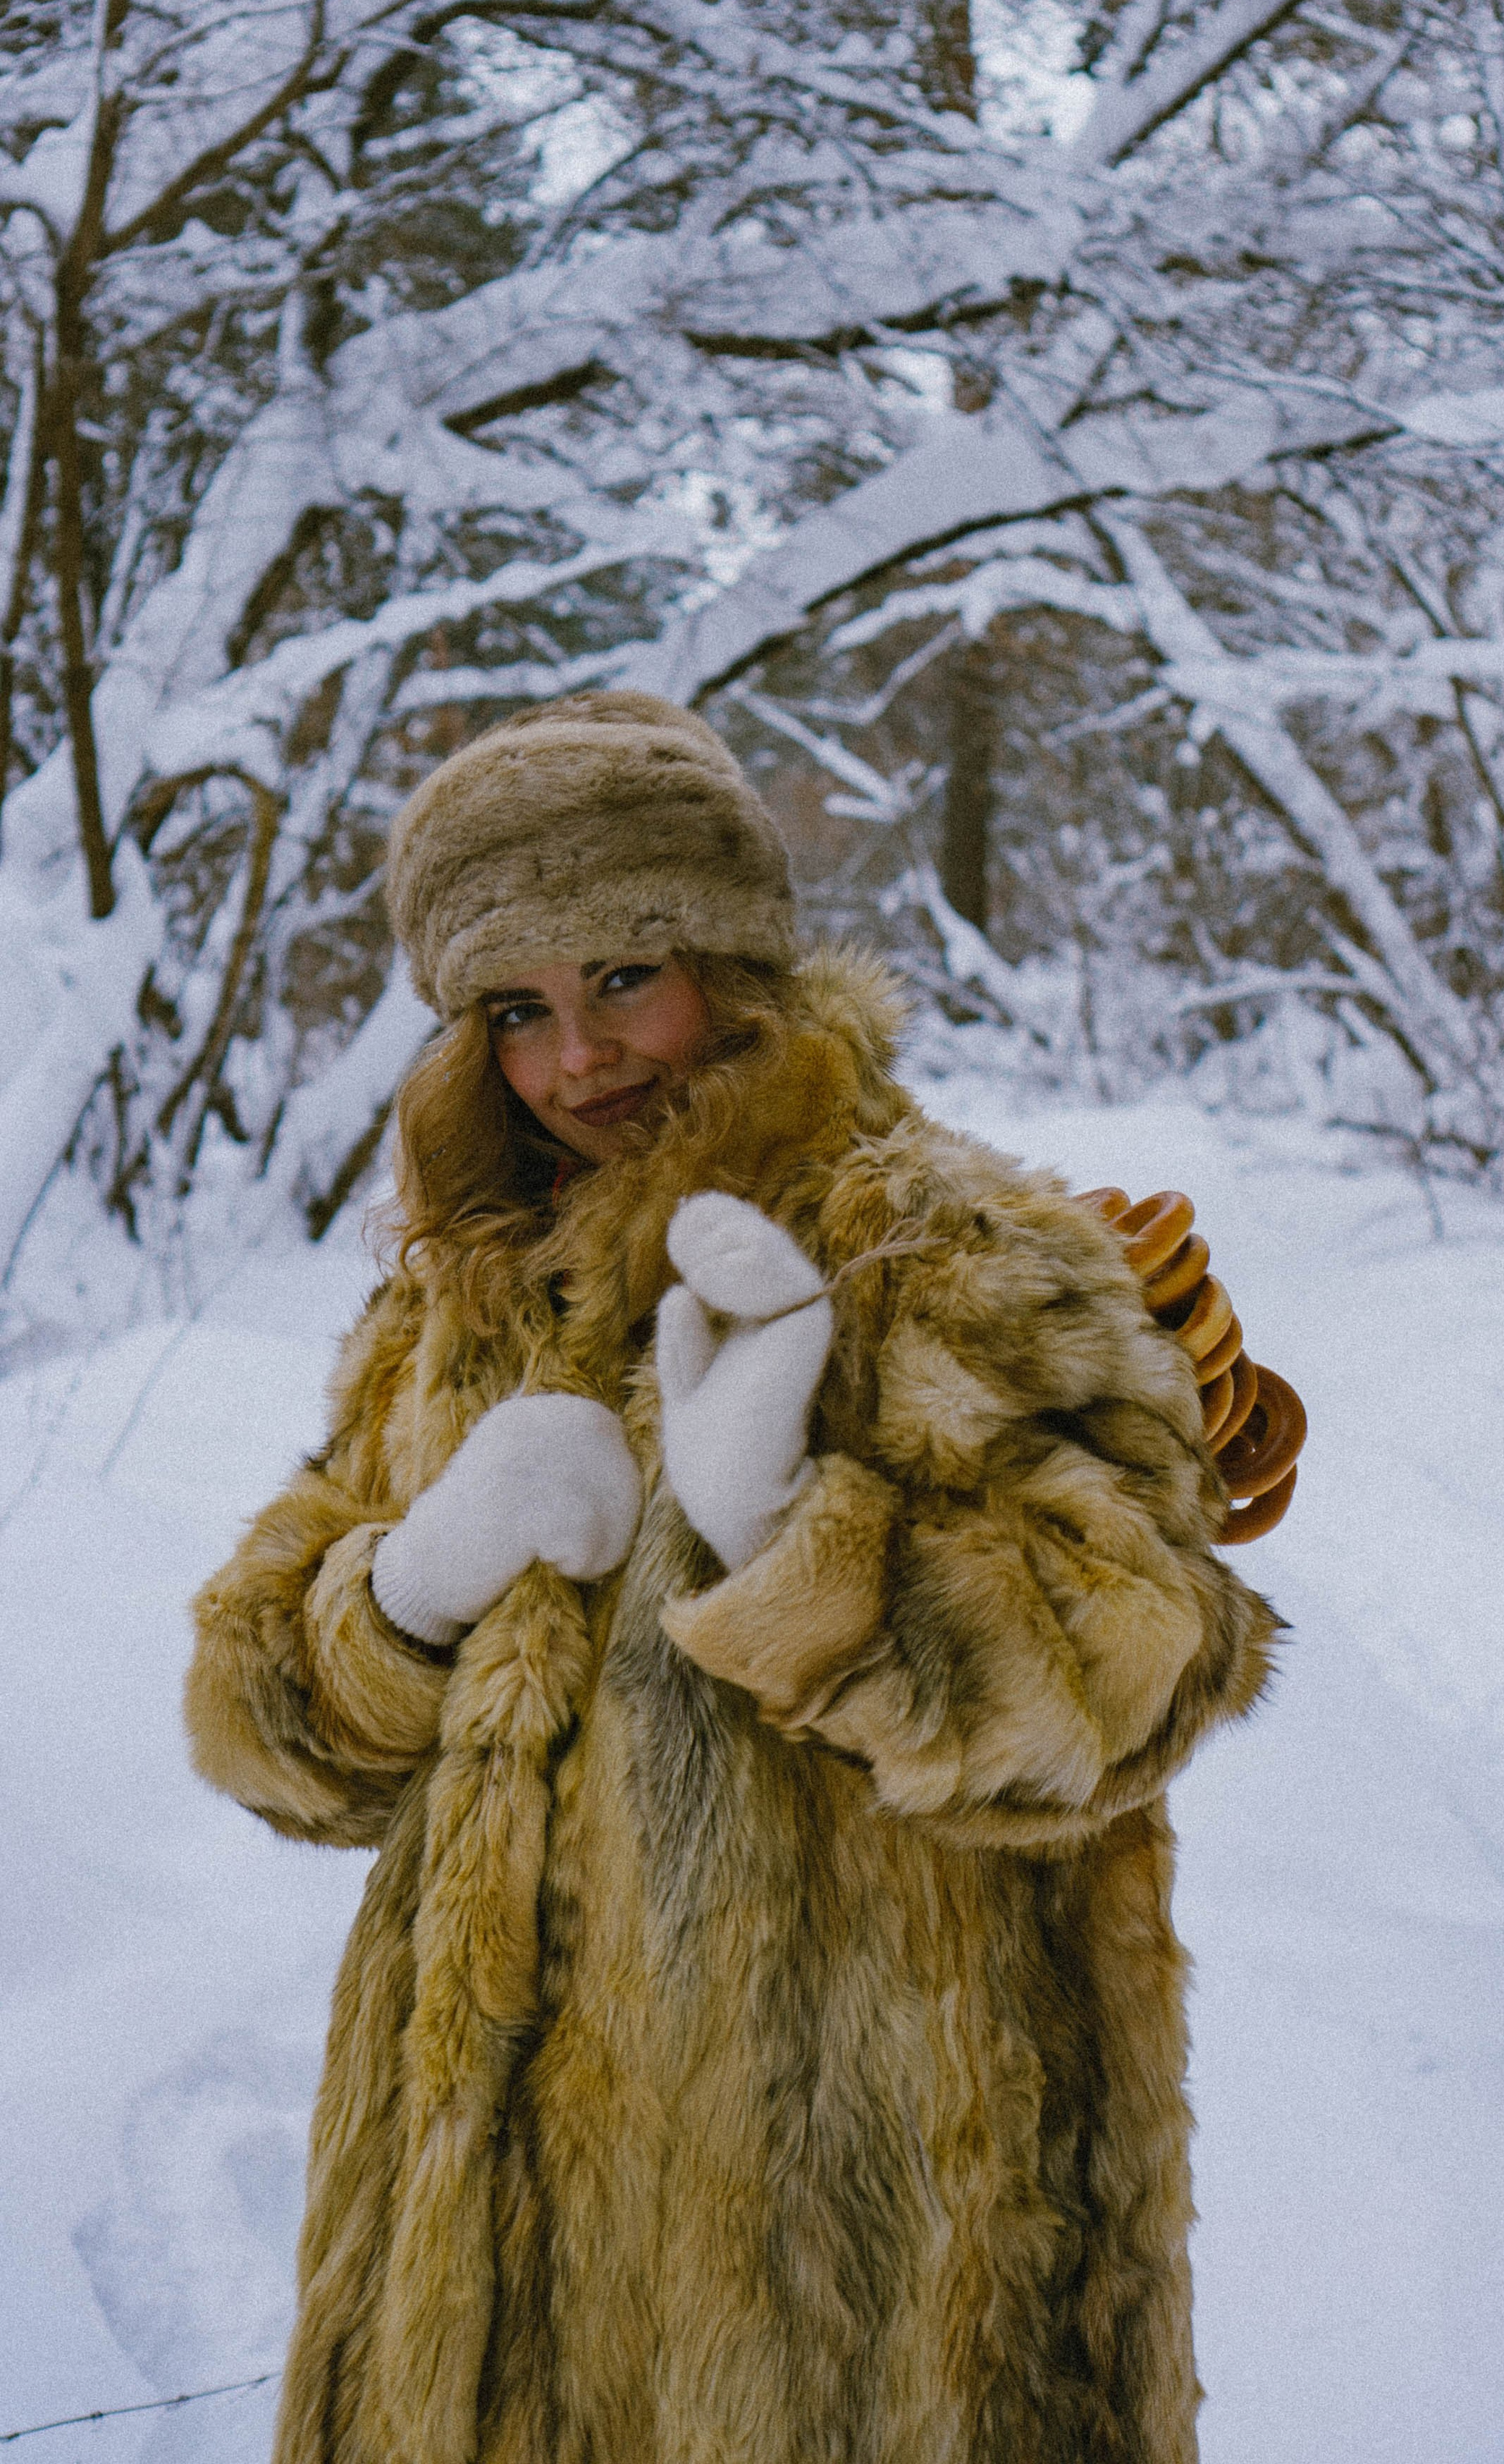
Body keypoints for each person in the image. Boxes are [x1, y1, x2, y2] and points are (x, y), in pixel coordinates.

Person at [185, 690, 1282, 2464]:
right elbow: (263, 1731)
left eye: (624, 976)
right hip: (475, 2278)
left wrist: (795, 1540)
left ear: (732, 956)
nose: (580, 1060)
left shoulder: (937, 1241)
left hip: (857, 2278)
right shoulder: (460, 1299)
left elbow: (1128, 1675)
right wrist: (408, 1592)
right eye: (516, 1009)